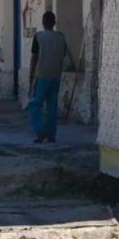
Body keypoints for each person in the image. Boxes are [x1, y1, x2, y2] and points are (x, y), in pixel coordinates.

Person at [28, 11, 72, 144]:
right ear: (54, 23)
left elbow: (34, 57)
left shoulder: (39, 37)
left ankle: (40, 131)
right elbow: (63, 55)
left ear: (43, 22)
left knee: (35, 105)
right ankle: (51, 133)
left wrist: (31, 74)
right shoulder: (60, 37)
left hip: (41, 75)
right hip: (56, 75)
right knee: (52, 106)